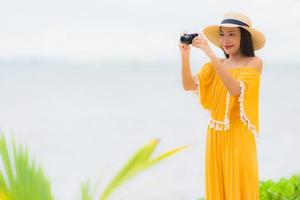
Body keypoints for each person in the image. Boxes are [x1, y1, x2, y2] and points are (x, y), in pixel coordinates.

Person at [178, 12, 266, 200]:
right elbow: (189, 86)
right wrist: (185, 56)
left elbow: (235, 90)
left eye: (232, 34)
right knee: (217, 188)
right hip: (215, 135)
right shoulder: (216, 65)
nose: (225, 40)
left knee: (239, 185)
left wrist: (210, 53)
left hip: (239, 136)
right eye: (222, 34)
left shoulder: (254, 63)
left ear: (244, 36)